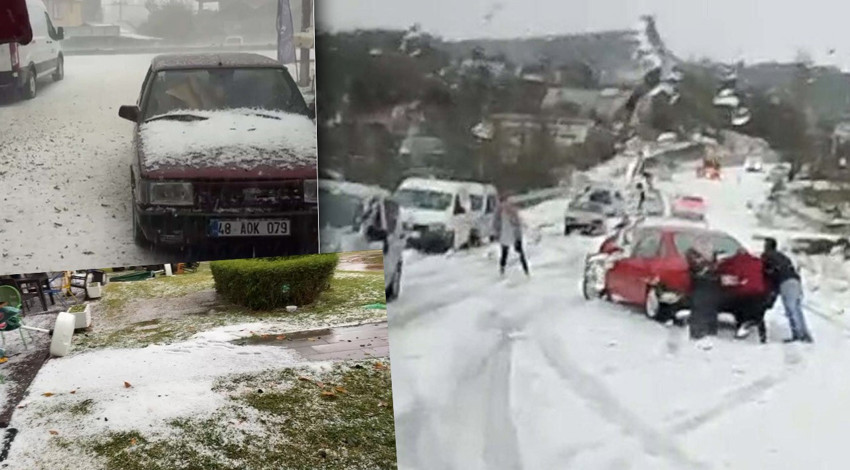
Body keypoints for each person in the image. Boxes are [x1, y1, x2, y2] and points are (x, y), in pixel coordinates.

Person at [762, 237, 813, 343]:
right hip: (795, 280)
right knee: (797, 308)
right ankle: (804, 333)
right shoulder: (783, 256)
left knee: (791, 309)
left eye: (765, 245)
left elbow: (769, 273)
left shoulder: (767, 256)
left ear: (768, 246)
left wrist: (771, 291)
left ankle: (798, 335)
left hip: (785, 282)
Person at [685, 238, 721, 346]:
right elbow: (696, 269)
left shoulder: (706, 256)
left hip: (707, 284)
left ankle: (709, 331)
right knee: (700, 308)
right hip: (701, 284)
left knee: (708, 307)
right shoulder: (692, 255)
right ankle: (697, 332)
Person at [493, 195, 529, 277]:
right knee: (517, 253)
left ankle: (502, 271)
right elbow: (517, 223)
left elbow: (496, 224)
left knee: (506, 253)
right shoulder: (504, 211)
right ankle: (525, 271)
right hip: (509, 234)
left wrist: (496, 233)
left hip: (508, 235)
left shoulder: (503, 211)